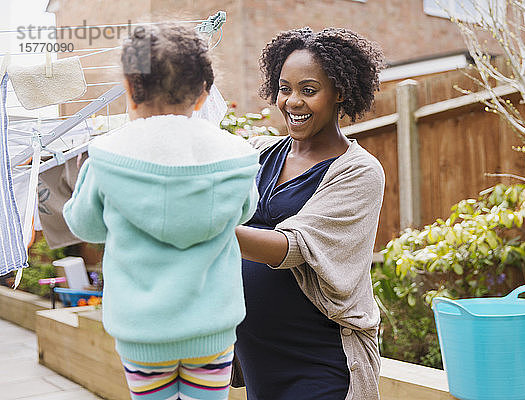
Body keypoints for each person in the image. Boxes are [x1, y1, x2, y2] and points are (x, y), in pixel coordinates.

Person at [63, 23, 259, 400]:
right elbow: (245, 211)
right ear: (204, 93)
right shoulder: (235, 155)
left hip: (142, 332)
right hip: (211, 330)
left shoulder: (107, 157)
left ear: (129, 89)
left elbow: (84, 225)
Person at [233, 27, 386, 400]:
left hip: (319, 358)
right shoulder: (259, 153)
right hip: (259, 360)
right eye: (285, 89)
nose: (292, 102)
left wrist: (206, 230)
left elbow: (293, 247)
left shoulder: (359, 171)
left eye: (308, 90)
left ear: (341, 94)